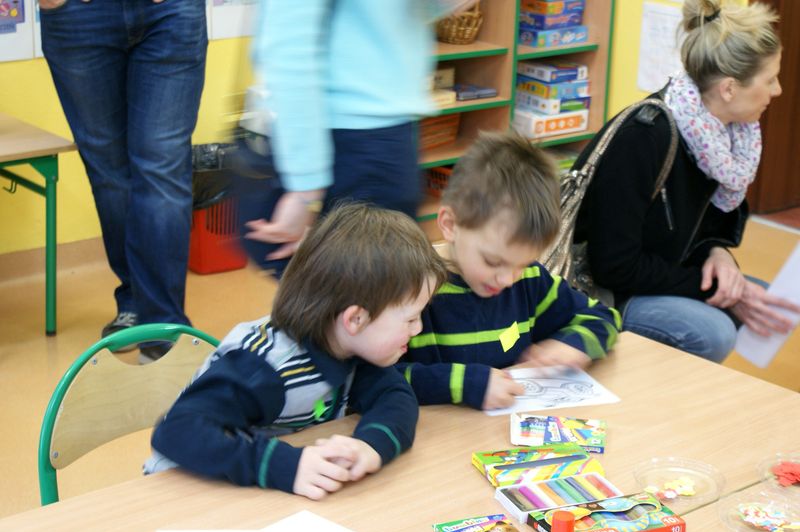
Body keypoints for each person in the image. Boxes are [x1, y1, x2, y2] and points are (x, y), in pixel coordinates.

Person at [145, 203, 448, 500]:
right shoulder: (264, 367)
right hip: (184, 491)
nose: (418, 328)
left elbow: (395, 396)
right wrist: (287, 466)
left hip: (254, 492)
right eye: (411, 319)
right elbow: (177, 431)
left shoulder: (351, 347)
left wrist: (370, 446)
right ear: (355, 319)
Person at [573, 0, 800, 363]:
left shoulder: (728, 138)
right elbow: (613, 266)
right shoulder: (643, 137)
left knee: (769, 303)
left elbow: (703, 227)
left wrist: (718, 254)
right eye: (770, 79)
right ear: (729, 88)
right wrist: (711, 288)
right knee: (714, 332)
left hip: (660, 269)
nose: (778, 91)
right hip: (602, 289)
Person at [234, 0, 469, 276]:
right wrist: (305, 190)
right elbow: (290, 45)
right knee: (364, 288)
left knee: (379, 287)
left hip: (384, 135)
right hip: (347, 142)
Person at [397, 132, 621, 411]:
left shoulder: (530, 281)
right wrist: (466, 384)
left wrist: (573, 346)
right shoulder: (410, 290)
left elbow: (603, 317)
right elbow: (375, 379)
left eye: (522, 264)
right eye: (493, 261)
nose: (507, 279)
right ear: (450, 225)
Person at [39, 0, 208, 361]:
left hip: (171, 12)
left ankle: (162, 331)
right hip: (78, 15)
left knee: (161, 170)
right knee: (110, 175)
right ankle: (136, 298)